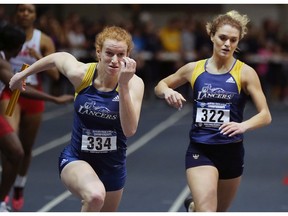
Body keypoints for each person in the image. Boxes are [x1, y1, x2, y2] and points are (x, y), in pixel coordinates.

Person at [9, 25, 145, 212]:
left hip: (113, 166)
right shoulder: (82, 75)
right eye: (109, 53)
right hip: (77, 159)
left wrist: (122, 86)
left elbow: (129, 130)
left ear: (128, 55)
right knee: (95, 196)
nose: (114, 60)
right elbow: (58, 58)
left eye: (121, 55)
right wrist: (22, 75)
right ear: (98, 52)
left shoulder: (134, 84)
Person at [154, 10, 272, 212]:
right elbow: (161, 85)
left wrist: (243, 125)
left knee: (218, 211)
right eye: (223, 38)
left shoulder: (245, 73)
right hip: (201, 150)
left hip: (231, 152)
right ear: (212, 36)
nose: (227, 44)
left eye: (233, 40)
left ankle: (193, 206)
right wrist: (166, 92)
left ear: (238, 42)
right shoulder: (194, 69)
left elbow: (265, 115)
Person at [0, 22, 73, 212]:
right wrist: (54, 98)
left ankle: (1, 202)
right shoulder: (1, 63)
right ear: (17, 48)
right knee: (16, 152)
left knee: (16, 152)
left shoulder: (4, 61)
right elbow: (18, 88)